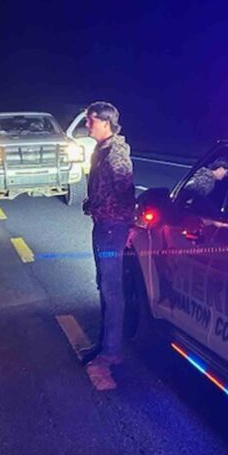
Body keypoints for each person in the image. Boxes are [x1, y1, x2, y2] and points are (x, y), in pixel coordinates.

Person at [80, 101, 135, 367]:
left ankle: (111, 351)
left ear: (105, 122)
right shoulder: (101, 150)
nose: (87, 124)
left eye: (90, 120)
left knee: (112, 289)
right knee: (104, 285)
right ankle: (104, 344)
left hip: (112, 228)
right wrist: (92, 205)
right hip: (103, 224)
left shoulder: (116, 152)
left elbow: (126, 194)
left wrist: (124, 227)